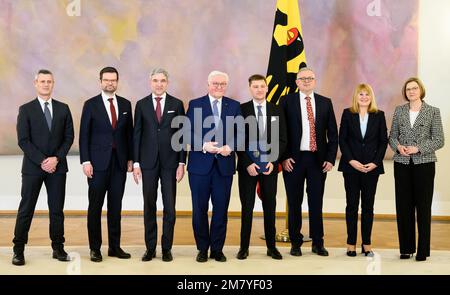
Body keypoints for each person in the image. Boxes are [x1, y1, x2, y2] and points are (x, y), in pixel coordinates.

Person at [12, 69, 74, 266]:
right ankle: (18, 250)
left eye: (49, 81)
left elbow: (69, 137)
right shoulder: (26, 109)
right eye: (42, 81)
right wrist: (42, 161)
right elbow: (23, 140)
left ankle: (58, 247)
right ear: (35, 83)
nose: (46, 84)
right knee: (26, 209)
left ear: (53, 84)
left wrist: (56, 158)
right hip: (33, 168)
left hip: (58, 168)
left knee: (57, 210)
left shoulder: (63, 108)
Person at [280, 67, 338, 257]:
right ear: (296, 82)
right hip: (293, 161)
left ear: (315, 81)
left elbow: (333, 134)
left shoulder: (325, 102)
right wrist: (284, 156)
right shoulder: (286, 101)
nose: (306, 81)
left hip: (317, 161)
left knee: (316, 202)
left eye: (310, 78)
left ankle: (318, 242)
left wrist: (330, 159)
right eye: (302, 78)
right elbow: (281, 131)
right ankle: (295, 242)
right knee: (295, 203)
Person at [186, 70, 242, 262]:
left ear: (226, 85)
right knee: (199, 209)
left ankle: (217, 249)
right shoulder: (195, 104)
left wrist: (231, 146)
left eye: (222, 84)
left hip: (224, 168)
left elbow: (241, 132)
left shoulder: (234, 106)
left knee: (221, 209)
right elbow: (186, 132)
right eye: (215, 83)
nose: (219, 87)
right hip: (199, 167)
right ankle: (202, 248)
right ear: (208, 84)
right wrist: (203, 145)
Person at [79, 66, 134, 262]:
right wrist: (85, 161)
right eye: (106, 80)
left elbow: (129, 135)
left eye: (113, 80)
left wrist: (130, 159)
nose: (110, 83)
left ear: (117, 82)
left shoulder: (126, 104)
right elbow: (84, 135)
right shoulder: (91, 104)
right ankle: (95, 248)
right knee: (95, 207)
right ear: (100, 81)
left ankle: (114, 247)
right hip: (97, 164)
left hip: (119, 164)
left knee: (115, 207)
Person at [132, 68, 186, 262]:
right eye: (155, 80)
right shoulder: (141, 105)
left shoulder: (177, 104)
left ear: (167, 83)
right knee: (149, 206)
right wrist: (136, 163)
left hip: (171, 163)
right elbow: (136, 135)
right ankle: (150, 248)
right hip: (147, 163)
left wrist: (182, 162)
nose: (159, 84)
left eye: (163, 80)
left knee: (170, 207)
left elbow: (182, 135)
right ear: (150, 82)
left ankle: (167, 248)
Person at [389, 77, 444, 261]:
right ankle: (406, 248)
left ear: (421, 90)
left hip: (424, 164)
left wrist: (419, 148)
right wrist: (398, 147)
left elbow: (439, 139)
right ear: (405, 92)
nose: (411, 91)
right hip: (402, 164)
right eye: (408, 89)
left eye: (414, 88)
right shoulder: (399, 111)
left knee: (423, 207)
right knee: (403, 207)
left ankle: (422, 250)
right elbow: (392, 137)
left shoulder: (433, 112)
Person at [236, 74, 287, 260]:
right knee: (247, 207)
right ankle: (243, 247)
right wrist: (247, 163)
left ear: (266, 88)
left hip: (269, 167)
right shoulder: (241, 110)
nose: (259, 89)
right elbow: (238, 140)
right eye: (255, 86)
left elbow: (282, 139)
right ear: (250, 88)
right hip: (247, 168)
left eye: (262, 86)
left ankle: (272, 247)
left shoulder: (276, 109)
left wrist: (273, 162)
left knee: (270, 207)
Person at [338, 83, 388, 257]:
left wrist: (375, 162)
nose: (364, 97)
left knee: (368, 207)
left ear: (371, 97)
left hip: (371, 168)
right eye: (361, 94)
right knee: (351, 206)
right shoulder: (347, 113)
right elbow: (342, 140)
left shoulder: (379, 115)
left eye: (367, 94)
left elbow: (383, 141)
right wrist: (351, 160)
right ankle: (350, 243)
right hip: (351, 168)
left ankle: (366, 243)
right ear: (356, 97)